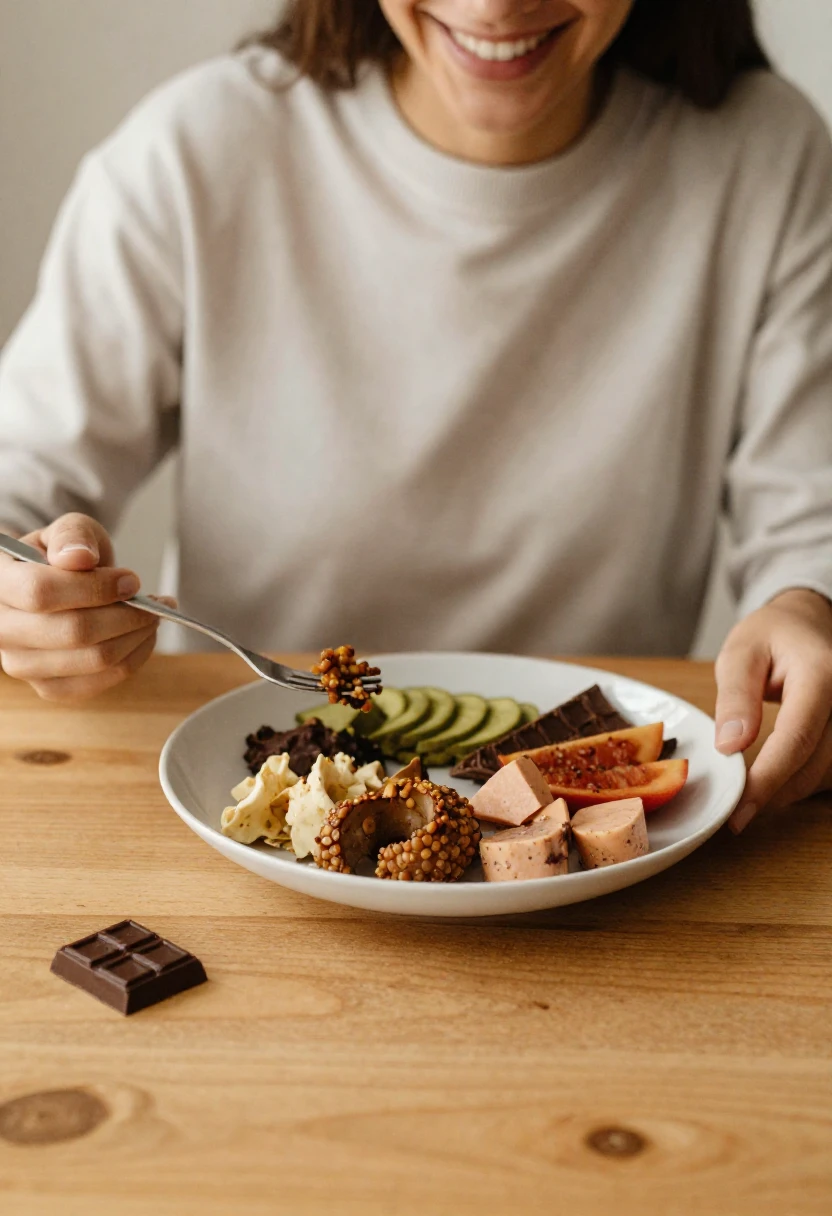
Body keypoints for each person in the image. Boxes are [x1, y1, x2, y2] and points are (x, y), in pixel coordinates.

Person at [0, 0, 830, 833]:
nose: (496, 6)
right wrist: (27, 593)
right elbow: (16, 482)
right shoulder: (195, 151)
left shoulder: (768, 159)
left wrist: (808, 605)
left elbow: (811, 525)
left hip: (616, 879)